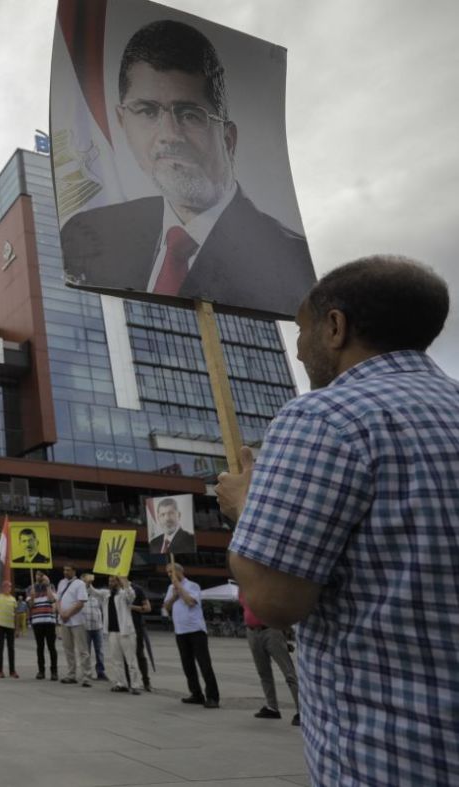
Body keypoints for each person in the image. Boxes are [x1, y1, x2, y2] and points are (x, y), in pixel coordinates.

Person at [215, 256, 457, 784]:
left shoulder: (325, 416)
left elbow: (274, 600)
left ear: (335, 326)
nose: (299, 347)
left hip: (390, 752)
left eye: (302, 329)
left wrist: (246, 505)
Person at [59, 19, 314, 318]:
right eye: (147, 111)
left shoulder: (289, 261)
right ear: (122, 121)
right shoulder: (92, 233)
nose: (169, 134)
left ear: (228, 138)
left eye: (190, 114)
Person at [163, 563, 219, 708]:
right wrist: (174, 595)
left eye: (171, 571)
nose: (169, 574)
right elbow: (166, 607)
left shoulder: (193, 585)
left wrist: (180, 588)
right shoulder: (170, 588)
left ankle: (212, 696)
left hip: (196, 631)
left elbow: (191, 602)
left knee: (204, 664)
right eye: (168, 572)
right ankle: (196, 693)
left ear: (180, 571)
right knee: (187, 665)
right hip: (180, 631)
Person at [241, 598, 299, 724]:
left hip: (271, 630)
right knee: (263, 672)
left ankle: (302, 711)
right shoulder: (242, 588)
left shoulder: (264, 583)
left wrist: (287, 630)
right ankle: (272, 707)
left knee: (288, 673)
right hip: (252, 631)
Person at [105, 575, 143, 695]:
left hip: (126, 631)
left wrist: (125, 583)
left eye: (113, 581)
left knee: (131, 659)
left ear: (118, 582)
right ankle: (121, 683)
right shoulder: (107, 595)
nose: (111, 583)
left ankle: (136, 685)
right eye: (109, 581)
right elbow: (94, 592)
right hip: (112, 631)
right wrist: (88, 584)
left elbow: (131, 596)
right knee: (116, 660)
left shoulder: (123, 594)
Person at [57, 565, 91, 687]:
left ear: (74, 571)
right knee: (68, 649)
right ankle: (71, 674)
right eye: (64, 570)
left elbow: (80, 602)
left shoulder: (79, 584)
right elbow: (58, 600)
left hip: (77, 620)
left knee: (82, 650)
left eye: (68, 570)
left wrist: (68, 614)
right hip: (64, 621)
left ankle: (86, 676)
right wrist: (61, 613)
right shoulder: (61, 583)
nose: (65, 572)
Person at [27, 579, 58, 680]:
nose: (39, 577)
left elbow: (52, 600)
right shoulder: (31, 588)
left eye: (41, 575)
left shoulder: (51, 587)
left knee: (51, 647)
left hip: (49, 621)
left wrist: (48, 585)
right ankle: (41, 671)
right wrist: (32, 596)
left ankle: (54, 672)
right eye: (37, 575)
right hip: (37, 621)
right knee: (40, 647)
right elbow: (31, 605)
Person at [80, 573, 108, 680]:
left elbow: (94, 592)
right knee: (86, 652)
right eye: (84, 579)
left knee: (100, 651)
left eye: (87, 579)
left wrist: (89, 584)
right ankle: (87, 673)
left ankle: (100, 672)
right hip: (85, 627)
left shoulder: (98, 594)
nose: (86, 581)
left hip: (97, 627)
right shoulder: (80, 594)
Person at [127, 578, 153, 692]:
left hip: (136, 626)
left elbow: (147, 608)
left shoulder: (137, 589)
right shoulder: (116, 590)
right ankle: (129, 681)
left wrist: (132, 607)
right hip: (121, 628)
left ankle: (146, 681)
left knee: (139, 654)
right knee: (124, 656)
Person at [0, 580, 18, 678]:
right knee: (0, 647)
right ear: (3, 588)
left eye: (9, 587)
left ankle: (12, 670)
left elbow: (16, 614)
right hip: (0, 625)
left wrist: (17, 628)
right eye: (6, 586)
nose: (8, 588)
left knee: (11, 648)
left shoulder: (13, 599)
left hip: (10, 625)